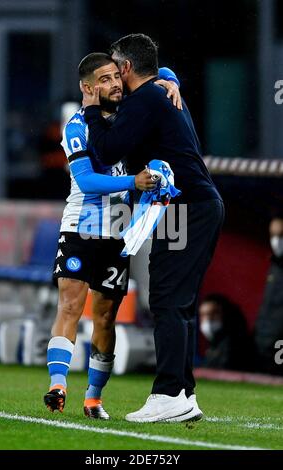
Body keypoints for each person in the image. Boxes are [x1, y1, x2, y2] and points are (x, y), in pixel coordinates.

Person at [83, 34, 224, 423]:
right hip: (186, 207)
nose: (111, 78)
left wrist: (92, 110)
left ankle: (167, 393)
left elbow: (107, 151)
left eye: (115, 69)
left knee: (166, 299)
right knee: (176, 301)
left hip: (186, 208)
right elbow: (161, 71)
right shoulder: (159, 90)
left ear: (127, 68)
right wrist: (171, 76)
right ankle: (183, 393)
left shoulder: (145, 98)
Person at [44, 52, 182, 419]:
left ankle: (93, 398)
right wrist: (132, 181)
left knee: (106, 318)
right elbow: (87, 180)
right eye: (104, 80)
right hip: (81, 228)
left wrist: (172, 82)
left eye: (115, 77)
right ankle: (58, 383)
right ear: (87, 89)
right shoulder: (76, 126)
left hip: (119, 233)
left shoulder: (129, 112)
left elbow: (162, 69)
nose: (115, 84)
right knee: (71, 306)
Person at [254, 214, 283, 375]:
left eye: (281, 235)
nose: (277, 241)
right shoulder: (274, 266)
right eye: (273, 235)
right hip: (264, 342)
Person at [199, 294, 252, 371]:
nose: (208, 319)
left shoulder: (235, 345)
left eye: (214, 313)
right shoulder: (214, 345)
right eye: (203, 315)